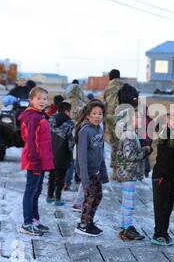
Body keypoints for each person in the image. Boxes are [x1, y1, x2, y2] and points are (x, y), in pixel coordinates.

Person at [18, 86, 54, 236]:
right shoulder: (33, 117)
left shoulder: (39, 115)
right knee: (30, 191)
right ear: (31, 100)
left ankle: (34, 220)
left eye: (44, 98)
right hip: (35, 160)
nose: (42, 101)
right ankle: (27, 223)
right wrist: (35, 161)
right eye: (38, 98)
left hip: (41, 160)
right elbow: (32, 141)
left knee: (36, 191)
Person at [151, 111, 174, 246]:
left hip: (173, 176)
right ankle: (158, 234)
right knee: (161, 206)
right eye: (170, 120)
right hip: (161, 176)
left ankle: (164, 232)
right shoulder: (163, 137)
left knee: (168, 206)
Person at [116, 108, 152, 241]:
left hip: (127, 172)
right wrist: (145, 151)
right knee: (129, 202)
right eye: (137, 117)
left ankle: (124, 226)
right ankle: (128, 228)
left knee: (126, 201)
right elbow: (130, 156)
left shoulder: (130, 133)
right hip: (128, 173)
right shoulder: (129, 134)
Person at [74, 101, 109, 237]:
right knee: (90, 197)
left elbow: (101, 153)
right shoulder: (85, 131)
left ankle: (89, 221)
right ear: (88, 116)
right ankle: (83, 224)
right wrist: (84, 178)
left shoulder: (99, 129)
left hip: (96, 170)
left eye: (100, 114)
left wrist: (104, 172)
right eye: (94, 114)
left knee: (97, 196)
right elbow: (81, 156)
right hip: (87, 171)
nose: (97, 116)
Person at [46, 102, 75, 206]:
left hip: (50, 152)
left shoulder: (51, 119)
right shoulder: (70, 123)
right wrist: (73, 154)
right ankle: (58, 199)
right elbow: (71, 141)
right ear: (67, 111)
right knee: (60, 178)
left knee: (52, 175)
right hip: (63, 153)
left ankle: (49, 196)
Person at [103, 69, 124, 180]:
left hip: (112, 120)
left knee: (115, 145)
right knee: (125, 145)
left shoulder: (108, 89)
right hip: (126, 119)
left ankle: (115, 172)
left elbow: (105, 104)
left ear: (110, 77)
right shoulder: (125, 86)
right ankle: (123, 171)